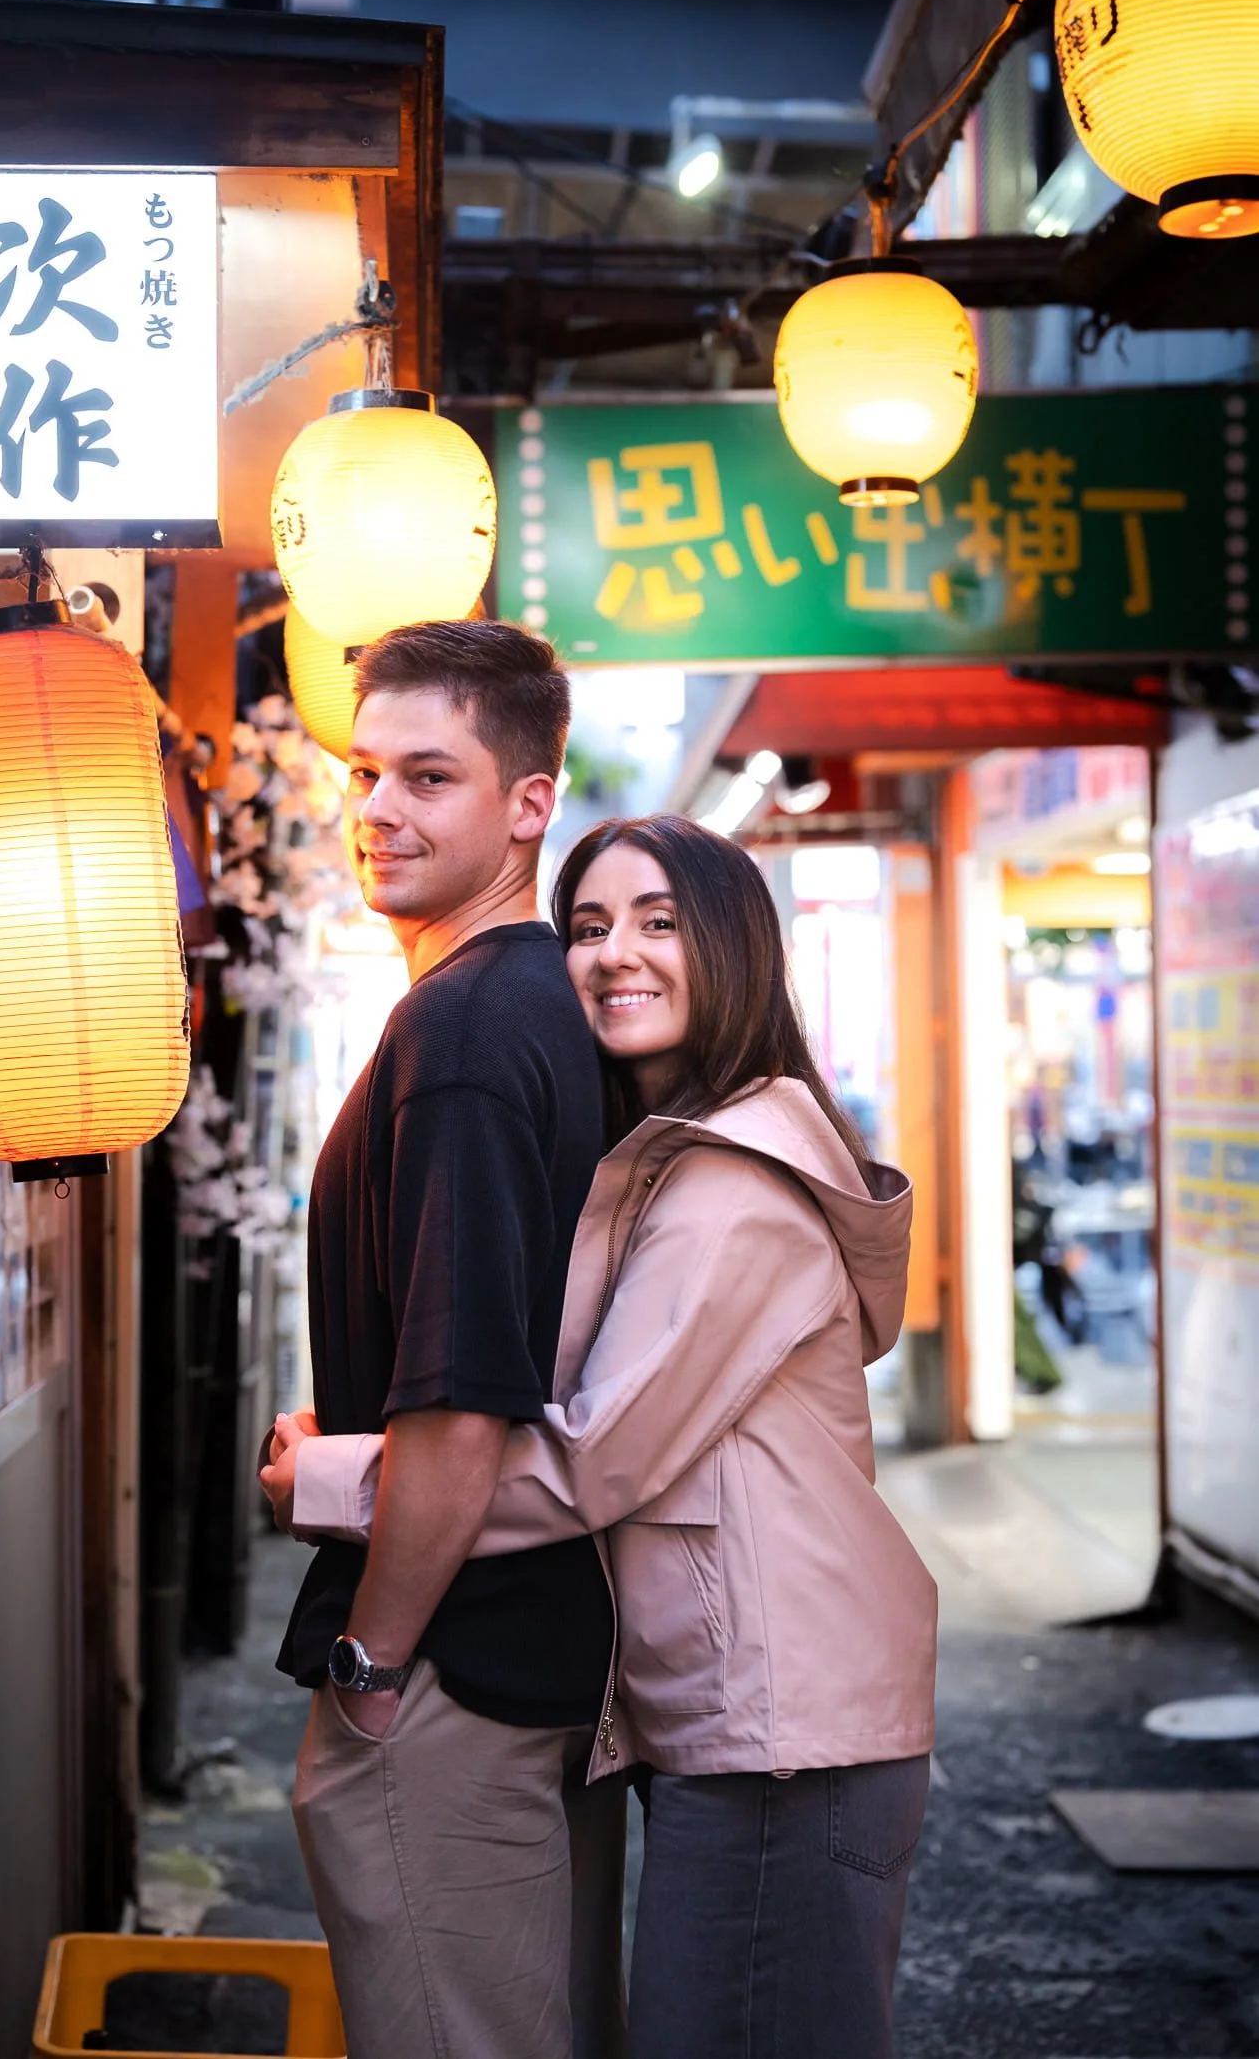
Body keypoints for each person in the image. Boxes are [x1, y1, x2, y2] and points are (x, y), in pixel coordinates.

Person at [266, 813, 939, 2059]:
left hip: (785, 1742)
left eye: (660, 920)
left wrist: (336, 1478)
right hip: (750, 1726)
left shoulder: (734, 1193)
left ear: (734, 949)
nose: (613, 953)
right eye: (587, 926)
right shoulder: (681, 1165)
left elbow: (590, 1457)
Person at [270, 619, 622, 2059]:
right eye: (364, 774)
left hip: (452, 1676)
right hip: (547, 1657)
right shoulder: (550, 1009)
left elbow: (470, 1402)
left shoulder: (470, 1031)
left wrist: (370, 1662)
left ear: (530, 803)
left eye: (430, 775)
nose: (379, 812)